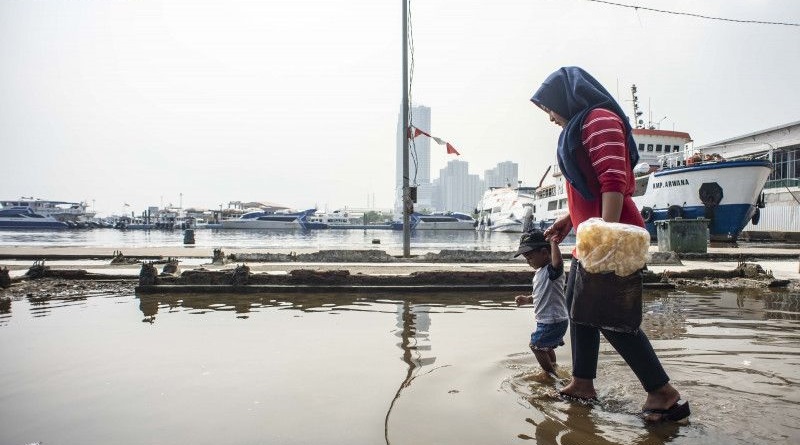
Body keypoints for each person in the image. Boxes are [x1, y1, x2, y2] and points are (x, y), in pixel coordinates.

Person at [530, 66, 690, 423]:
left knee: (609, 317)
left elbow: (613, 179)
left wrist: (606, 235)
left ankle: (664, 394)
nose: (551, 117)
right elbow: (586, 186)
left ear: (564, 98)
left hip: (612, 240)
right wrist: (569, 220)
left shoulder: (599, 119)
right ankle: (582, 383)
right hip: (592, 238)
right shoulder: (579, 126)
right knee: (580, 311)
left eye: (549, 109)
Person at [513, 229, 568, 377]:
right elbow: (541, 294)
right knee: (546, 348)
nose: (528, 261)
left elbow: (558, 263)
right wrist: (528, 299)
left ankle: (550, 375)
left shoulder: (552, 270)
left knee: (536, 346)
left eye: (529, 257)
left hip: (553, 320)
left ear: (544, 253)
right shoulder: (540, 272)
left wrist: (553, 242)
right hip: (548, 320)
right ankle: (554, 367)